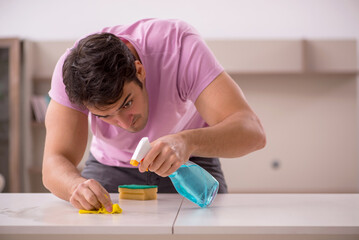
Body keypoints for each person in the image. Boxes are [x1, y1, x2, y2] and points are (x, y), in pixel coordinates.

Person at [42, 18, 266, 212]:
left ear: (139, 71)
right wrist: (74, 186)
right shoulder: (72, 74)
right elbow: (54, 161)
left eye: (127, 103)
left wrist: (187, 142)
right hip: (109, 165)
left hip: (188, 159)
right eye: (104, 116)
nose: (122, 123)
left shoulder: (179, 48)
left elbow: (253, 133)